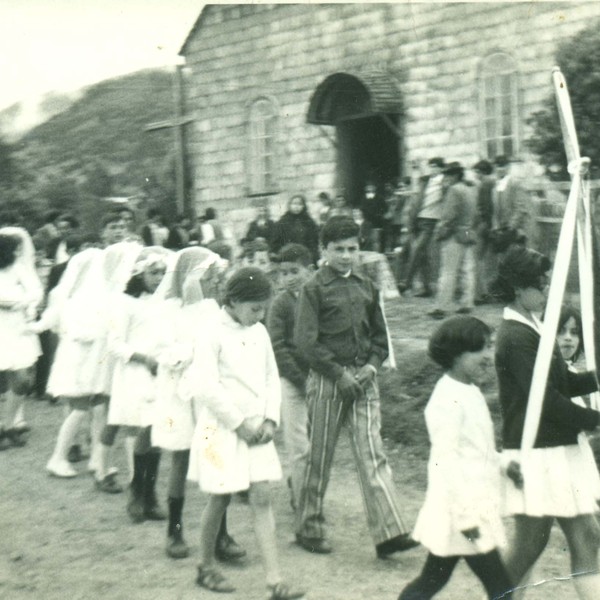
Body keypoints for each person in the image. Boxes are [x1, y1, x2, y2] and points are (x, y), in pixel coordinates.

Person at [293, 216, 416, 558]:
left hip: (363, 381)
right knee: (320, 455)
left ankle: (389, 532)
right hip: (328, 381)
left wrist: (372, 367)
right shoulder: (313, 288)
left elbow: (380, 337)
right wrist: (337, 373)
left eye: (352, 249)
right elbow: (305, 342)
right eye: (339, 249)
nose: (346, 256)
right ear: (324, 250)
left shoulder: (367, 285)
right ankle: (309, 526)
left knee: (372, 453)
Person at [187, 267, 305, 599]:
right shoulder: (210, 331)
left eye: (264, 308)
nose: (261, 314)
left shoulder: (260, 332)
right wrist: (238, 424)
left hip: (257, 430)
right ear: (234, 301)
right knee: (221, 496)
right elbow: (206, 385)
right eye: (255, 308)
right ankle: (206, 567)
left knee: (262, 497)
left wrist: (269, 420)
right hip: (223, 429)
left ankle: (275, 581)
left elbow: (271, 377)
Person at [494, 246, 600, 599]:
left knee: (587, 534)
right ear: (518, 289)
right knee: (529, 545)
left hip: (558, 449)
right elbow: (545, 399)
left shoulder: (534, 327)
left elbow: (562, 382)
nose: (546, 289)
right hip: (537, 451)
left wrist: (596, 378)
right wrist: (594, 419)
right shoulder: (515, 336)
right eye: (540, 284)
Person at [398, 316, 513, 600]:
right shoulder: (446, 400)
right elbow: (445, 461)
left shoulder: (469, 390)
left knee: (431, 581)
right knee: (500, 588)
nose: (487, 357)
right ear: (455, 354)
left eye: (488, 348)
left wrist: (504, 464)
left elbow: (477, 448)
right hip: (462, 513)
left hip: (468, 508)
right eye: (479, 350)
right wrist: (465, 517)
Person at [151, 247, 244, 562]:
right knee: (179, 458)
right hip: (178, 394)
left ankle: (221, 533)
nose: (212, 280)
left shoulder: (210, 309)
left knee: (214, 454)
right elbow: (165, 354)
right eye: (207, 275)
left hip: (205, 391)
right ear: (189, 276)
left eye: (214, 275)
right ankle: (174, 529)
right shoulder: (166, 311)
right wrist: (194, 352)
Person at [41, 242, 142, 477]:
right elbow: (82, 332)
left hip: (95, 361)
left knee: (99, 407)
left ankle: (97, 458)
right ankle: (58, 457)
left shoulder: (105, 294)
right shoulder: (84, 301)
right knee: (80, 408)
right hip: (82, 362)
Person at [94, 248, 172, 497]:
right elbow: (115, 344)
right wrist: (143, 358)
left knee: (149, 429)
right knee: (123, 423)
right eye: (153, 272)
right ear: (139, 274)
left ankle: (141, 486)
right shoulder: (124, 302)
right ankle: (104, 471)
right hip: (131, 373)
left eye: (162, 272)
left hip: (157, 373)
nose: (158, 277)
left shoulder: (162, 303)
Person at [266, 243, 313, 509]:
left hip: (318, 378)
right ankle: (302, 502)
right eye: (283, 273)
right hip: (291, 380)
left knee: (316, 442)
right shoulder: (280, 305)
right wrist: (300, 380)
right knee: (299, 445)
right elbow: (278, 347)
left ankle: (301, 485)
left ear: (310, 269)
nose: (288, 277)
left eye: (295, 270)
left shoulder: (318, 297)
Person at [0, 228, 43, 448]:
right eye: (14, 249)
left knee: (23, 380)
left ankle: (8, 426)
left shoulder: (18, 268)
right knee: (4, 379)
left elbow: (36, 291)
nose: (19, 252)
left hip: (17, 327)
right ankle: (4, 428)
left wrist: (19, 301)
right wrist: (17, 299)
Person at [555, 306, 600, 500]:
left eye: (574, 333)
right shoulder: (552, 374)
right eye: (561, 331)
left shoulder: (569, 370)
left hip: (576, 456)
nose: (568, 338)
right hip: (561, 461)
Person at [428, 162, 477, 320]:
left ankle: (441, 307)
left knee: (448, 272)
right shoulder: (469, 189)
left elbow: (448, 216)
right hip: (468, 231)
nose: (446, 177)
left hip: (454, 233)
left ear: (454, 175)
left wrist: (439, 232)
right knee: (467, 270)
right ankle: (467, 303)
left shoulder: (454, 190)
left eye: (448, 174)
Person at [399, 157, 445, 297]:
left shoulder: (444, 182)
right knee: (422, 255)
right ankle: (426, 288)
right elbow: (416, 188)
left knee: (417, 248)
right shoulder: (426, 181)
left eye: (436, 167)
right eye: (431, 166)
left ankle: (406, 283)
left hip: (431, 220)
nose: (433, 169)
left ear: (441, 168)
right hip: (419, 219)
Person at [272, 195, 320, 264]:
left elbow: (314, 241)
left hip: (305, 256)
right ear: (290, 205)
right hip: (288, 256)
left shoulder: (309, 221)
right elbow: (276, 241)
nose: (296, 207)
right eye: (294, 204)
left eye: (300, 204)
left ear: (303, 206)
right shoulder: (283, 221)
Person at [472, 160, 495, 304]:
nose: (475, 174)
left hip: (482, 226)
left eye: (477, 171)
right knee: (484, 260)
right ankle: (485, 292)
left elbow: (483, 208)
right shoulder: (493, 182)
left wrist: (477, 225)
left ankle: (479, 295)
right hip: (490, 225)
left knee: (476, 259)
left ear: (481, 172)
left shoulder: (484, 184)